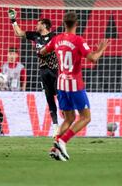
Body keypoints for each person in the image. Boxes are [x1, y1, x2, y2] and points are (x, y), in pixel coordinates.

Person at [40, 11, 109, 161]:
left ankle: (54, 148)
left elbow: (42, 52)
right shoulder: (78, 40)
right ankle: (62, 142)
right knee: (85, 117)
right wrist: (101, 49)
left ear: (64, 24)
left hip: (61, 83)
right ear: (76, 24)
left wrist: (47, 55)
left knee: (68, 118)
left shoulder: (56, 39)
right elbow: (93, 59)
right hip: (75, 84)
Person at [9, 9, 59, 136]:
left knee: (60, 96)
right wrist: (13, 20)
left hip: (55, 71)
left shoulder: (55, 37)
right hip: (43, 72)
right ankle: (55, 125)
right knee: (49, 99)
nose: (36, 26)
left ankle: (67, 118)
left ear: (44, 25)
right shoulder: (35, 36)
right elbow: (19, 33)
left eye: (38, 23)